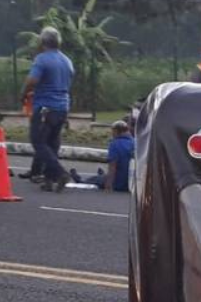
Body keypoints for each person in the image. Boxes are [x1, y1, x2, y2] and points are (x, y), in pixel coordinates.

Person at [21, 27, 75, 192]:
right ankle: (49, 180)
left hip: (46, 106)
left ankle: (59, 173)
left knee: (38, 141)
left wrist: (23, 93)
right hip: (62, 106)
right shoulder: (67, 60)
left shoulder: (42, 59)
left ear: (42, 42)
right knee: (52, 142)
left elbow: (32, 80)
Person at [70, 120, 135, 192]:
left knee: (95, 179)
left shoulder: (115, 144)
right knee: (102, 177)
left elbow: (113, 166)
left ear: (116, 131)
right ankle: (102, 175)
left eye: (112, 132)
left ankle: (79, 179)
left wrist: (108, 185)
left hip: (118, 183)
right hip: (131, 184)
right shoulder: (135, 142)